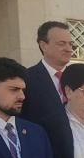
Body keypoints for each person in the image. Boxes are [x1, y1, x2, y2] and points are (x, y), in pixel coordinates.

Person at [21, 21, 72, 150]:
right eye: (61, 44)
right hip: (45, 152)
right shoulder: (26, 78)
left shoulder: (77, 78)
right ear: (44, 45)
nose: (68, 49)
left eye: (70, 44)